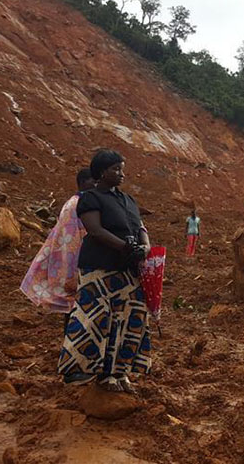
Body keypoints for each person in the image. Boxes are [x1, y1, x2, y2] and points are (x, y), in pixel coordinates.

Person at [58, 149, 152, 393]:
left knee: (129, 320)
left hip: (128, 270)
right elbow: (96, 230)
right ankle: (95, 373)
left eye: (122, 168)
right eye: (115, 169)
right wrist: (126, 247)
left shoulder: (128, 200)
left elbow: (140, 227)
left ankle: (120, 372)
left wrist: (145, 247)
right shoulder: (90, 198)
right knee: (98, 320)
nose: (121, 173)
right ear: (101, 172)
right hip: (99, 268)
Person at [20, 169, 96, 330]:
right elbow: (72, 238)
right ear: (83, 183)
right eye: (93, 181)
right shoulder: (77, 204)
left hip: (75, 258)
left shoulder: (79, 202)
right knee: (76, 308)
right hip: (76, 260)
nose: (96, 185)